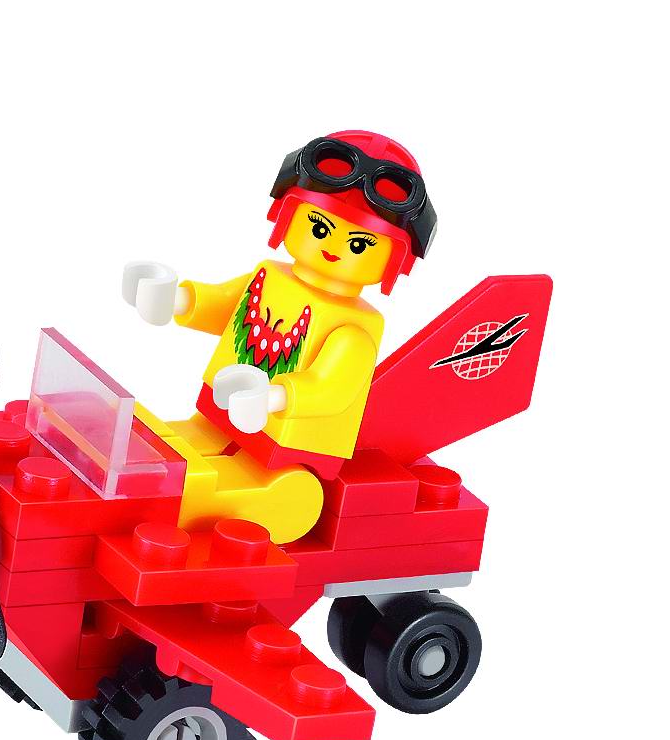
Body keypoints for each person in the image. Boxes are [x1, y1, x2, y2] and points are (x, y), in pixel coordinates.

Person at [125, 130, 437, 543]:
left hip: (286, 462)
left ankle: (206, 503)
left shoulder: (354, 326)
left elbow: (330, 387)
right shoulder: (271, 277)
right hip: (217, 421)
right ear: (288, 215)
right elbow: (225, 303)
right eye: (320, 228)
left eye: (360, 244)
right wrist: (176, 299)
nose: (334, 248)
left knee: (195, 484)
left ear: (392, 259)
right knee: (150, 446)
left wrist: (273, 397)